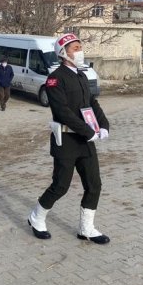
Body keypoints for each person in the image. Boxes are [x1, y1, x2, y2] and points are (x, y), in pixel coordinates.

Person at [27, 33, 110, 245]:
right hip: (66, 140)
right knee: (61, 185)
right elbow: (63, 112)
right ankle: (36, 216)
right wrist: (87, 131)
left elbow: (92, 103)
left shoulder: (81, 76)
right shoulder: (55, 78)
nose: (80, 51)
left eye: (80, 47)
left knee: (94, 184)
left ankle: (86, 228)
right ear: (63, 53)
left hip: (85, 140)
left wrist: (104, 125)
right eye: (75, 48)